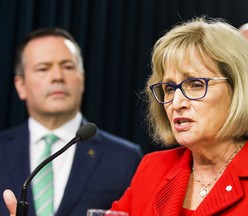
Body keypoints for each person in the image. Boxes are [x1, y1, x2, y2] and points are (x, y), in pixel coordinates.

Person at [4, 17, 248, 216]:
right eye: (168, 88)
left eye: (194, 84)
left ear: (239, 87)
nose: (176, 102)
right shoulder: (153, 169)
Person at [0, 27, 143, 216]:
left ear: (81, 79)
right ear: (21, 85)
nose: (58, 76)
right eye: (43, 68)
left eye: (67, 67)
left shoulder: (125, 158)